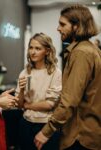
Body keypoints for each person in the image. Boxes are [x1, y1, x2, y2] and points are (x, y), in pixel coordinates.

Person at [34, 4, 101, 150]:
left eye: (62, 24)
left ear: (77, 26)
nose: (58, 28)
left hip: (80, 137)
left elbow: (70, 100)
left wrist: (46, 131)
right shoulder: (89, 49)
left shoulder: (81, 53)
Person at [16, 33, 62, 150]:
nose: (33, 52)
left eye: (38, 48)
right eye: (31, 47)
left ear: (47, 51)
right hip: (25, 124)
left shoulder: (55, 73)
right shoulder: (25, 72)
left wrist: (28, 105)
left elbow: (49, 104)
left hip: (46, 126)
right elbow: (19, 105)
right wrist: (21, 90)